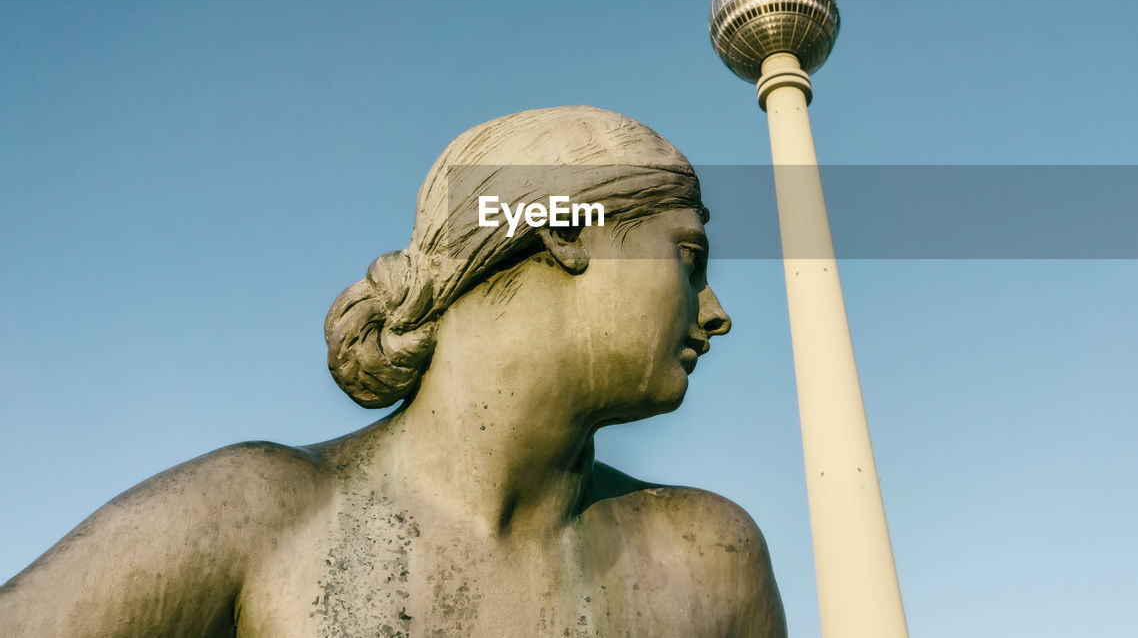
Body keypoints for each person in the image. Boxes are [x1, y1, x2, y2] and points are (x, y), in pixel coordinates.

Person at [0, 106, 787, 637]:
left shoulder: (708, 561)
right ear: (565, 233)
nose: (714, 310)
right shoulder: (254, 517)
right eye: (689, 257)